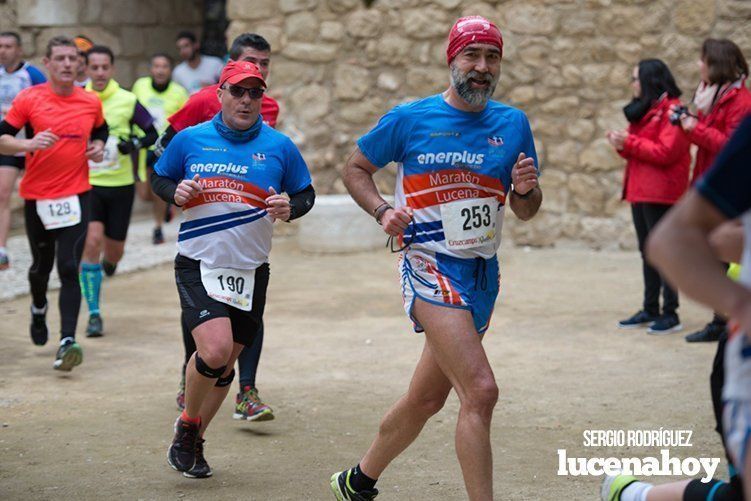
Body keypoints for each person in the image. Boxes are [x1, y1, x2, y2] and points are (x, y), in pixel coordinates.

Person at [330, 16, 542, 501]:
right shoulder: (411, 118)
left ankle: (357, 481)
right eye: (471, 55)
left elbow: (526, 210)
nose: (482, 67)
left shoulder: (513, 124)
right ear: (452, 60)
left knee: (426, 398)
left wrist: (527, 190)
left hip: (482, 275)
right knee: (481, 390)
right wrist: (383, 210)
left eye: (491, 57)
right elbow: (355, 168)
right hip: (429, 265)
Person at [152, 60, 315, 478]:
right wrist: (176, 191)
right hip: (198, 262)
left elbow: (305, 193)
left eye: (254, 93)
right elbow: (160, 178)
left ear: (263, 98)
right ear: (220, 93)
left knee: (224, 367)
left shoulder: (280, 146)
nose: (246, 100)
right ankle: (188, 423)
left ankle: (195, 441)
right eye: (238, 91)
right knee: (215, 350)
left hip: (250, 270)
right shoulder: (191, 140)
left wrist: (290, 207)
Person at [602, 116, 751, 501]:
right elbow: (682, 240)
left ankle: (632, 495)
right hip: (744, 368)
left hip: (663, 189)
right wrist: (742, 304)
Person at [158, 33, 280, 422]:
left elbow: (269, 159)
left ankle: (247, 389)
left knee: (246, 310)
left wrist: (282, 202)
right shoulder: (199, 103)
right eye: (248, 62)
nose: (255, 73)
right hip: (202, 230)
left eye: (263, 65)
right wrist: (178, 188)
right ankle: (188, 372)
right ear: (225, 78)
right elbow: (164, 148)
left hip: (248, 236)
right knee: (204, 319)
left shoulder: (268, 107)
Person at [0, 36, 106, 370]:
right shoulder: (29, 98)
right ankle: (38, 306)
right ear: (47, 63)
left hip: (76, 193)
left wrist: (99, 148)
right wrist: (28, 143)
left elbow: (102, 132)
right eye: (59, 58)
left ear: (79, 64)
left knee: (68, 266)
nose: (66, 64)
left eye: (72, 58)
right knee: (40, 268)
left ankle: (67, 341)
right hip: (38, 196)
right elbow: (2, 139)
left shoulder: (90, 102)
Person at [671, 38, 751, 343]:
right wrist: (688, 126)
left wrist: (695, 128)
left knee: (723, 253)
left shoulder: (740, 102)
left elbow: (732, 148)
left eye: (702, 60)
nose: (698, 65)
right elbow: (708, 142)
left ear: (717, 64)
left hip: (730, 191)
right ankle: (721, 318)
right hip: (711, 183)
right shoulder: (713, 97)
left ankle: (725, 319)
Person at [78, 45, 158, 337]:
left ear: (112, 69)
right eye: (94, 67)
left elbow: (152, 132)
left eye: (104, 67)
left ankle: (110, 264)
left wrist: (133, 145)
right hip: (88, 184)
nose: (99, 73)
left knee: (114, 251)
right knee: (91, 242)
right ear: (85, 69)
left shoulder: (127, 99)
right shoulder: (79, 98)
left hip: (121, 186)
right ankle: (94, 314)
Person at [607, 59, 690, 334]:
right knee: (648, 252)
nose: (633, 84)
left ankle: (671, 313)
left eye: (635, 78)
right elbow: (639, 149)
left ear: (649, 80)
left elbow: (667, 152)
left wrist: (629, 143)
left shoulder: (673, 111)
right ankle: (651, 308)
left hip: (662, 194)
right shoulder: (647, 111)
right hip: (641, 191)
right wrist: (622, 144)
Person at [131, 53, 188, 245]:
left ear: (170, 70)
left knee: (157, 190)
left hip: (165, 149)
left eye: (164, 66)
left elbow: (184, 121)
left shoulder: (179, 92)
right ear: (151, 69)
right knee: (144, 194)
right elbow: (133, 111)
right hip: (144, 144)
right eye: (157, 66)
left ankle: (157, 227)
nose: (160, 70)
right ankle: (166, 208)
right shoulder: (140, 86)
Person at [0, 31, 46, 270]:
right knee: (3, 194)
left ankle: (46, 243)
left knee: (37, 195)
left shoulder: (32, 74)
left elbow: (48, 102)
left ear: (19, 50)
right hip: (7, 144)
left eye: (8, 46)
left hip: (33, 144)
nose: (3, 50)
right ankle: (2, 249)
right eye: (0, 46)